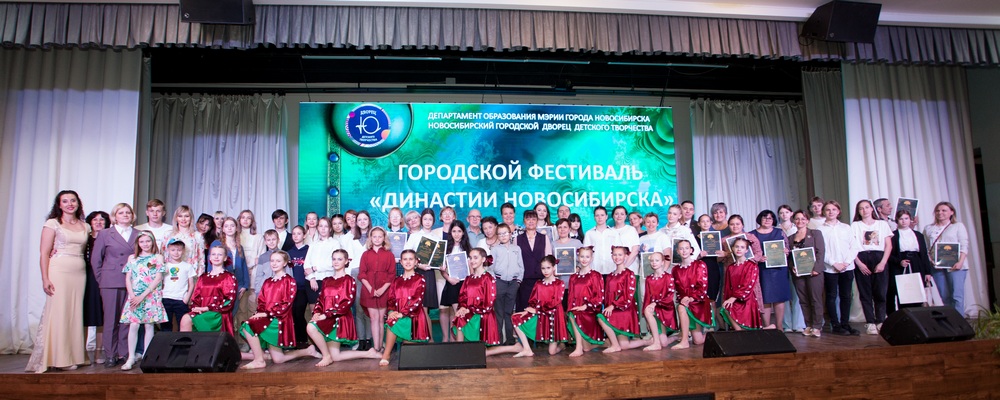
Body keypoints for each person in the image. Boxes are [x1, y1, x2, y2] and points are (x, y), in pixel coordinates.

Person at [26, 190, 90, 373]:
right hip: (59, 270)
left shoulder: (85, 226)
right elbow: (44, 253)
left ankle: (75, 355)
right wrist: (45, 278)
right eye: (65, 201)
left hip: (79, 271)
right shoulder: (52, 223)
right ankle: (59, 359)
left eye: (73, 200)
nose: (70, 204)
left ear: (78, 203)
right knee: (60, 312)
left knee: (75, 313)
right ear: (59, 205)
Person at [240, 250, 321, 369]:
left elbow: (285, 305)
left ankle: (259, 360)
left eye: (278, 261)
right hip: (267, 318)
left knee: (247, 326)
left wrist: (265, 315)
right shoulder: (267, 282)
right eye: (272, 260)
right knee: (279, 359)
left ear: (285, 263)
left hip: (279, 320)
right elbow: (261, 302)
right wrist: (260, 313)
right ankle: (308, 351)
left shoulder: (289, 281)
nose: (274, 263)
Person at [307, 249, 382, 366]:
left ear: (346, 261)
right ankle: (369, 353)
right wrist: (317, 312)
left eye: (340, 259)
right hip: (326, 317)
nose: (336, 262)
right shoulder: (327, 280)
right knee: (336, 356)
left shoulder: (349, 280)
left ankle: (326, 356)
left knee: (311, 327)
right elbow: (320, 300)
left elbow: (346, 304)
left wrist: (326, 315)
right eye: (334, 259)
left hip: (338, 319)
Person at [90, 202, 138, 368]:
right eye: (121, 213)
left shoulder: (138, 234)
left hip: (132, 282)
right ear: (114, 216)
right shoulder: (105, 234)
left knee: (127, 320)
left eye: (127, 212)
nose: (125, 215)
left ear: (132, 216)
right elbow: (96, 259)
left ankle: (124, 353)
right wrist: (103, 279)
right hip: (110, 281)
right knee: (111, 319)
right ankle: (110, 354)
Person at [119, 230, 168, 370]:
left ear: (152, 242)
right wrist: (133, 295)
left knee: (149, 325)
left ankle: (147, 356)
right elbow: (128, 278)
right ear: (138, 243)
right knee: (134, 325)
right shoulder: (132, 258)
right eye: (142, 241)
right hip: (134, 296)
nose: (145, 244)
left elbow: (158, 278)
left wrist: (143, 295)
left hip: (150, 295)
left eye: (148, 241)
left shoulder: (157, 257)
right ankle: (131, 357)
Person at [816, 200, 861, 336]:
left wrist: (846, 263)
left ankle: (845, 323)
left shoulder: (846, 228)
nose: (831, 212)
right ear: (824, 212)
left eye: (834, 209)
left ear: (838, 212)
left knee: (846, 296)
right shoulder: (819, 230)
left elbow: (854, 246)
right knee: (831, 296)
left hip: (847, 267)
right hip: (830, 268)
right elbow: (821, 250)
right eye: (828, 210)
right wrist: (834, 263)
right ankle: (835, 324)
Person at [380, 250, 432, 366]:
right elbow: (391, 298)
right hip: (398, 314)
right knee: (392, 321)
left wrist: (402, 313)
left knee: (410, 358)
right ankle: (386, 354)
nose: (408, 262)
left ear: (416, 262)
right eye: (405, 259)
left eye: (411, 259)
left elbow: (417, 299)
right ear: (401, 262)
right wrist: (391, 311)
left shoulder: (420, 279)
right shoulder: (396, 280)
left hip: (413, 316)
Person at [510, 255, 569, 357]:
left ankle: (562, 346)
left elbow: (555, 303)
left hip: (553, 317)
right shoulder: (538, 283)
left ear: (554, 267)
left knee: (552, 352)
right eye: (543, 268)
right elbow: (533, 300)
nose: (545, 271)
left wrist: (537, 310)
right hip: (541, 315)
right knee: (516, 318)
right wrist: (528, 310)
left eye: (548, 268)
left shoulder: (559, 283)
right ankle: (527, 349)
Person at [852, 200, 894, 335]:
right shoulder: (855, 225)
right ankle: (870, 322)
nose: (864, 210)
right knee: (865, 294)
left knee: (880, 292)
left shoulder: (882, 224)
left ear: (872, 209)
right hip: (862, 258)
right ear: (858, 211)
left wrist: (883, 263)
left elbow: (889, 245)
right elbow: (851, 246)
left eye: (867, 207)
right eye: (861, 208)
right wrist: (859, 263)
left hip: (879, 257)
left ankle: (880, 320)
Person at [597, 246, 648, 352]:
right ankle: (615, 343)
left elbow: (628, 295)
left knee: (601, 318)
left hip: (624, 310)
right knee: (623, 345)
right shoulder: (610, 275)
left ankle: (645, 342)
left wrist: (613, 306)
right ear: (612, 256)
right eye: (615, 255)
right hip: (612, 310)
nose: (617, 257)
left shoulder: (629, 274)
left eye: (620, 255)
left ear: (626, 256)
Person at [180, 244, 238, 336]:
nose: (216, 257)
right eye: (213, 254)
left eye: (219, 254)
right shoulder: (202, 277)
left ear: (225, 258)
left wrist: (207, 308)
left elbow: (229, 302)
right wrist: (196, 309)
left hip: (217, 314)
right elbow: (195, 298)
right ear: (210, 257)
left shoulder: (229, 277)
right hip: (202, 312)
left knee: (189, 319)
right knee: (185, 318)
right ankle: (186, 345)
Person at [924, 201, 970, 317]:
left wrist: (960, 262)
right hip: (937, 266)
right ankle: (951, 320)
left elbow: (964, 245)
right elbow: (926, 247)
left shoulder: (958, 226)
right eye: (938, 210)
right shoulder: (929, 228)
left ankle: (959, 321)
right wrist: (930, 260)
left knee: (957, 296)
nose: (940, 213)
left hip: (955, 265)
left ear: (951, 212)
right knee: (944, 296)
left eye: (944, 210)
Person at [452, 248, 502, 347]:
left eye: (475, 258)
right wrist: (462, 307)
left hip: (482, 316)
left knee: (483, 352)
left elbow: (488, 304)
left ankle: (513, 348)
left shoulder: (488, 278)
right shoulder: (468, 278)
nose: (472, 261)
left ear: (483, 259)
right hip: (471, 314)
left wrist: (469, 310)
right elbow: (463, 297)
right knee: (459, 319)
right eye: (470, 258)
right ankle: (460, 351)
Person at [788, 211, 826, 338]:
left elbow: (821, 252)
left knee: (815, 299)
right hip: (798, 274)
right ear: (794, 221)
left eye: (803, 219)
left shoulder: (815, 234)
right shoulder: (790, 238)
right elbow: (790, 257)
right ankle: (808, 325)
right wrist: (792, 266)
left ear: (807, 220)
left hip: (814, 272)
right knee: (803, 300)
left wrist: (816, 269)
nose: (800, 221)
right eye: (797, 219)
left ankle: (817, 326)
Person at [887, 210, 934, 316]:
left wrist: (927, 272)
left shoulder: (918, 235)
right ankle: (903, 316)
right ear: (897, 220)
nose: (904, 221)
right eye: (901, 219)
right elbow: (888, 254)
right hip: (900, 264)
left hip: (916, 263)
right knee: (902, 292)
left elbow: (924, 254)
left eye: (906, 218)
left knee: (917, 291)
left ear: (910, 220)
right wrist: (899, 262)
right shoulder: (893, 235)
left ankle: (918, 317)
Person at [749, 209, 789, 330]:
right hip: (762, 269)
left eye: (770, 218)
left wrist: (786, 251)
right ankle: (767, 326)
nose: (767, 220)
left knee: (779, 298)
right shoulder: (752, 234)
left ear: (773, 220)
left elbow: (787, 248)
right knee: (765, 298)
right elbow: (748, 253)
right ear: (760, 219)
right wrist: (758, 258)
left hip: (779, 269)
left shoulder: (780, 232)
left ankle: (779, 326)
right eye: (764, 218)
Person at [403, 208, 440, 333]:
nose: (427, 222)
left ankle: (429, 338)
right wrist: (418, 265)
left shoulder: (436, 237)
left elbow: (438, 258)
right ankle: (414, 336)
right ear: (421, 220)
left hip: (429, 274)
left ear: (433, 221)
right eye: (425, 219)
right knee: (415, 307)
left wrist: (441, 264)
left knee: (425, 309)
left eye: (430, 219)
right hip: (416, 273)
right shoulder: (414, 236)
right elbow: (406, 255)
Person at [359, 227, 395, 352]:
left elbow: (392, 274)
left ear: (384, 238)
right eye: (374, 236)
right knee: (373, 318)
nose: (377, 239)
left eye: (380, 236)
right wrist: (371, 289)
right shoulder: (365, 254)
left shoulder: (389, 255)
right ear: (370, 238)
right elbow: (362, 274)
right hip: (369, 290)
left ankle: (380, 346)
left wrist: (383, 289)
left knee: (381, 319)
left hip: (384, 290)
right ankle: (376, 347)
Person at [672, 241, 714, 348]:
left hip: (698, 302)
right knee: (681, 307)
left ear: (691, 250)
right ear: (677, 251)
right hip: (686, 302)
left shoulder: (699, 264)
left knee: (698, 341)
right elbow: (678, 290)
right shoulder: (675, 269)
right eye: (681, 248)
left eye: (686, 248)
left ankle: (686, 340)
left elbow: (703, 286)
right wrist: (683, 298)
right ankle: (684, 339)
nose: (684, 251)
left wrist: (691, 298)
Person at [566, 246, 605, 357]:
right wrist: (570, 308)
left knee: (575, 314)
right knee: (572, 313)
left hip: (590, 310)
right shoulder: (573, 277)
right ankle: (596, 344)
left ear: (591, 258)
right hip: (577, 309)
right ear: (578, 257)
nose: (584, 259)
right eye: (582, 256)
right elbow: (570, 296)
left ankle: (578, 348)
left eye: (587, 257)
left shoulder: (595, 275)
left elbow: (599, 297)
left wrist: (585, 306)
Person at [438, 221, 473, 341]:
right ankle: (456, 341)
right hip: (452, 283)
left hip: (465, 285)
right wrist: (448, 278)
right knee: (456, 312)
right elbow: (442, 270)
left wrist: (470, 266)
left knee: (460, 313)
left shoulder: (468, 249)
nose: (456, 234)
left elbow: (472, 271)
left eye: (459, 231)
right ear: (450, 233)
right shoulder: (445, 248)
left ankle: (459, 341)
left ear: (463, 233)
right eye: (454, 231)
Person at [216, 217, 251, 336]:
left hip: (239, 284)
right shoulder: (217, 244)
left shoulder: (239, 246)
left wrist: (245, 285)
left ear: (236, 228)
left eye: (232, 226)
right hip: (223, 285)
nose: (229, 228)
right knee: (225, 314)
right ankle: (224, 339)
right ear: (223, 229)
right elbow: (212, 266)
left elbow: (244, 266)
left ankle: (242, 341)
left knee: (241, 313)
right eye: (226, 226)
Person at [490, 223, 523, 346]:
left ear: (510, 234)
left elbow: (521, 266)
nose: (503, 236)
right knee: (499, 312)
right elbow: (490, 268)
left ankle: (510, 339)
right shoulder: (495, 249)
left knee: (509, 312)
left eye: (505, 233)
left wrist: (518, 280)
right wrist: (494, 281)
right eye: (500, 234)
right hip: (499, 282)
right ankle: (498, 339)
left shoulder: (517, 249)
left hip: (513, 283)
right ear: (497, 236)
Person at [83, 210, 109, 364]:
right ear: (90, 222)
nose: (98, 222)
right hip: (85, 278)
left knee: (101, 316)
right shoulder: (84, 238)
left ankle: (99, 353)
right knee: (84, 316)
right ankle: (83, 353)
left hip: (103, 278)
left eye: (102, 220)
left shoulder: (109, 238)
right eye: (95, 220)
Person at [720, 238, 762, 330]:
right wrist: (727, 299)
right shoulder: (730, 267)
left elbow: (747, 285)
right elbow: (727, 287)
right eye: (737, 247)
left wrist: (733, 298)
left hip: (746, 300)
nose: (739, 249)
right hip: (733, 300)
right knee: (726, 307)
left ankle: (740, 332)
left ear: (746, 250)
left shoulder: (751, 266)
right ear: (732, 248)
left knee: (746, 329)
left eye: (742, 247)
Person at [516, 210, 552, 312]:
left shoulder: (544, 238)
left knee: (540, 309)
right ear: (524, 221)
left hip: (541, 279)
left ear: (537, 221)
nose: (531, 221)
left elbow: (548, 258)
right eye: (528, 219)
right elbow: (516, 261)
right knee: (523, 310)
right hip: (524, 281)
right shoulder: (517, 239)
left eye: (533, 219)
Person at [640, 252, 677, 351]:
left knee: (664, 343)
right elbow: (647, 298)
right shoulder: (649, 279)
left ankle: (676, 337)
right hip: (653, 310)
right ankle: (657, 342)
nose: (654, 263)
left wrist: (655, 303)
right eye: (652, 260)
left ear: (662, 262)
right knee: (664, 343)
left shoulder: (668, 277)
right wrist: (647, 317)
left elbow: (669, 297)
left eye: (657, 260)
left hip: (665, 309)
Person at [777, 204, 805, 333]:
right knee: (784, 295)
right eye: (781, 213)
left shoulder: (797, 228)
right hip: (780, 265)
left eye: (786, 212)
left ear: (791, 214)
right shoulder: (775, 230)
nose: (784, 215)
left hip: (796, 264)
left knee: (797, 294)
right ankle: (786, 324)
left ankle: (798, 324)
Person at [304, 217, 339, 314]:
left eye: (326, 226)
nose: (323, 229)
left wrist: (315, 268)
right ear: (317, 228)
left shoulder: (335, 243)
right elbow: (307, 263)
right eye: (321, 226)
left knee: (326, 311)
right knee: (314, 311)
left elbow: (333, 263)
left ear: (330, 229)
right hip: (312, 281)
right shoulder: (313, 244)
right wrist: (311, 278)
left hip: (327, 280)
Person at [160, 239, 197, 332]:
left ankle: (182, 341)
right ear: (168, 250)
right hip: (166, 298)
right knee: (166, 326)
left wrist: (186, 299)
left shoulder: (187, 266)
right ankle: (166, 340)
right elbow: (160, 282)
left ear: (183, 251)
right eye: (173, 250)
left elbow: (191, 284)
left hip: (181, 299)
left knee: (182, 324)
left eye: (179, 250)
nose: (176, 253)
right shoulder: (164, 266)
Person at [286, 225, 311, 346]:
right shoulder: (289, 253)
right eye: (294, 234)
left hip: (304, 287)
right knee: (293, 313)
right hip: (292, 288)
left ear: (304, 235)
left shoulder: (309, 250)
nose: (296, 236)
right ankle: (296, 340)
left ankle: (303, 339)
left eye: (299, 233)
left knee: (300, 312)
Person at [165, 206, 205, 275]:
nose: (183, 219)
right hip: (172, 274)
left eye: (186, 216)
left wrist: (199, 276)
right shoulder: (168, 235)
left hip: (191, 275)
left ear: (191, 218)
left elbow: (201, 259)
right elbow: (163, 255)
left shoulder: (197, 236)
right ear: (176, 218)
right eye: (180, 216)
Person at [693, 214, 722, 305]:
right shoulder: (694, 239)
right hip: (699, 269)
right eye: (703, 221)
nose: (705, 223)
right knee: (700, 294)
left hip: (713, 268)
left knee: (712, 296)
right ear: (698, 224)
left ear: (711, 223)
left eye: (707, 221)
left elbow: (721, 257)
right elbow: (691, 256)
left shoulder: (716, 237)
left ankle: (712, 314)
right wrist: (699, 255)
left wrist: (722, 254)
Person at [583, 206, 616, 274]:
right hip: (594, 269)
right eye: (597, 215)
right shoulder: (589, 233)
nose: (600, 217)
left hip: (612, 269)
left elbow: (619, 250)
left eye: (602, 215)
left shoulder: (614, 232)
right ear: (594, 217)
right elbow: (586, 252)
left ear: (606, 216)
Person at [238, 210, 265, 289]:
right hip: (239, 271)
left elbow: (261, 256)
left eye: (248, 218)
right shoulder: (235, 236)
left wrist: (252, 265)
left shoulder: (259, 237)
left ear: (252, 221)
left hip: (254, 271)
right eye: (243, 217)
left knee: (253, 294)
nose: (245, 220)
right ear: (239, 220)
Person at [609, 206, 641, 273]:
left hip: (631, 269)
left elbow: (635, 251)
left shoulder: (631, 230)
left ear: (625, 216)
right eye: (616, 214)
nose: (619, 216)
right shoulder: (609, 231)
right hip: (613, 270)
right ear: (613, 216)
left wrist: (623, 267)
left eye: (622, 214)